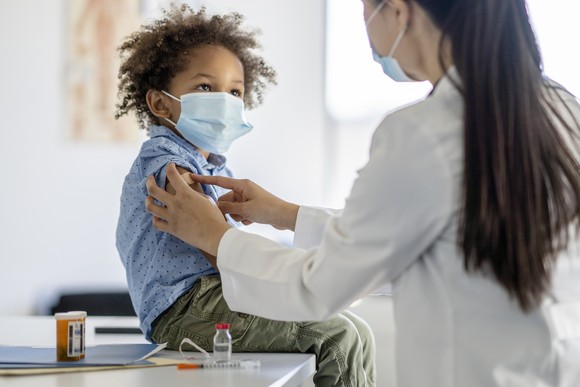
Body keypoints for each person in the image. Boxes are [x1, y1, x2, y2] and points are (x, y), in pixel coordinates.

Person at [144, 0, 580, 386]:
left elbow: (318, 286)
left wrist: (217, 238)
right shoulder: (563, 109)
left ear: (398, 11)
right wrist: (287, 214)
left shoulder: (422, 133)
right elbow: (439, 235)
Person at [114, 5, 376, 387]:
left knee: (355, 327)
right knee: (338, 336)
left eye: (235, 91)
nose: (225, 101)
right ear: (160, 103)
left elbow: (226, 245)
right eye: (205, 87)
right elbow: (213, 243)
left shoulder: (215, 166)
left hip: (214, 297)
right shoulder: (166, 161)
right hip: (187, 308)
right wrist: (283, 288)